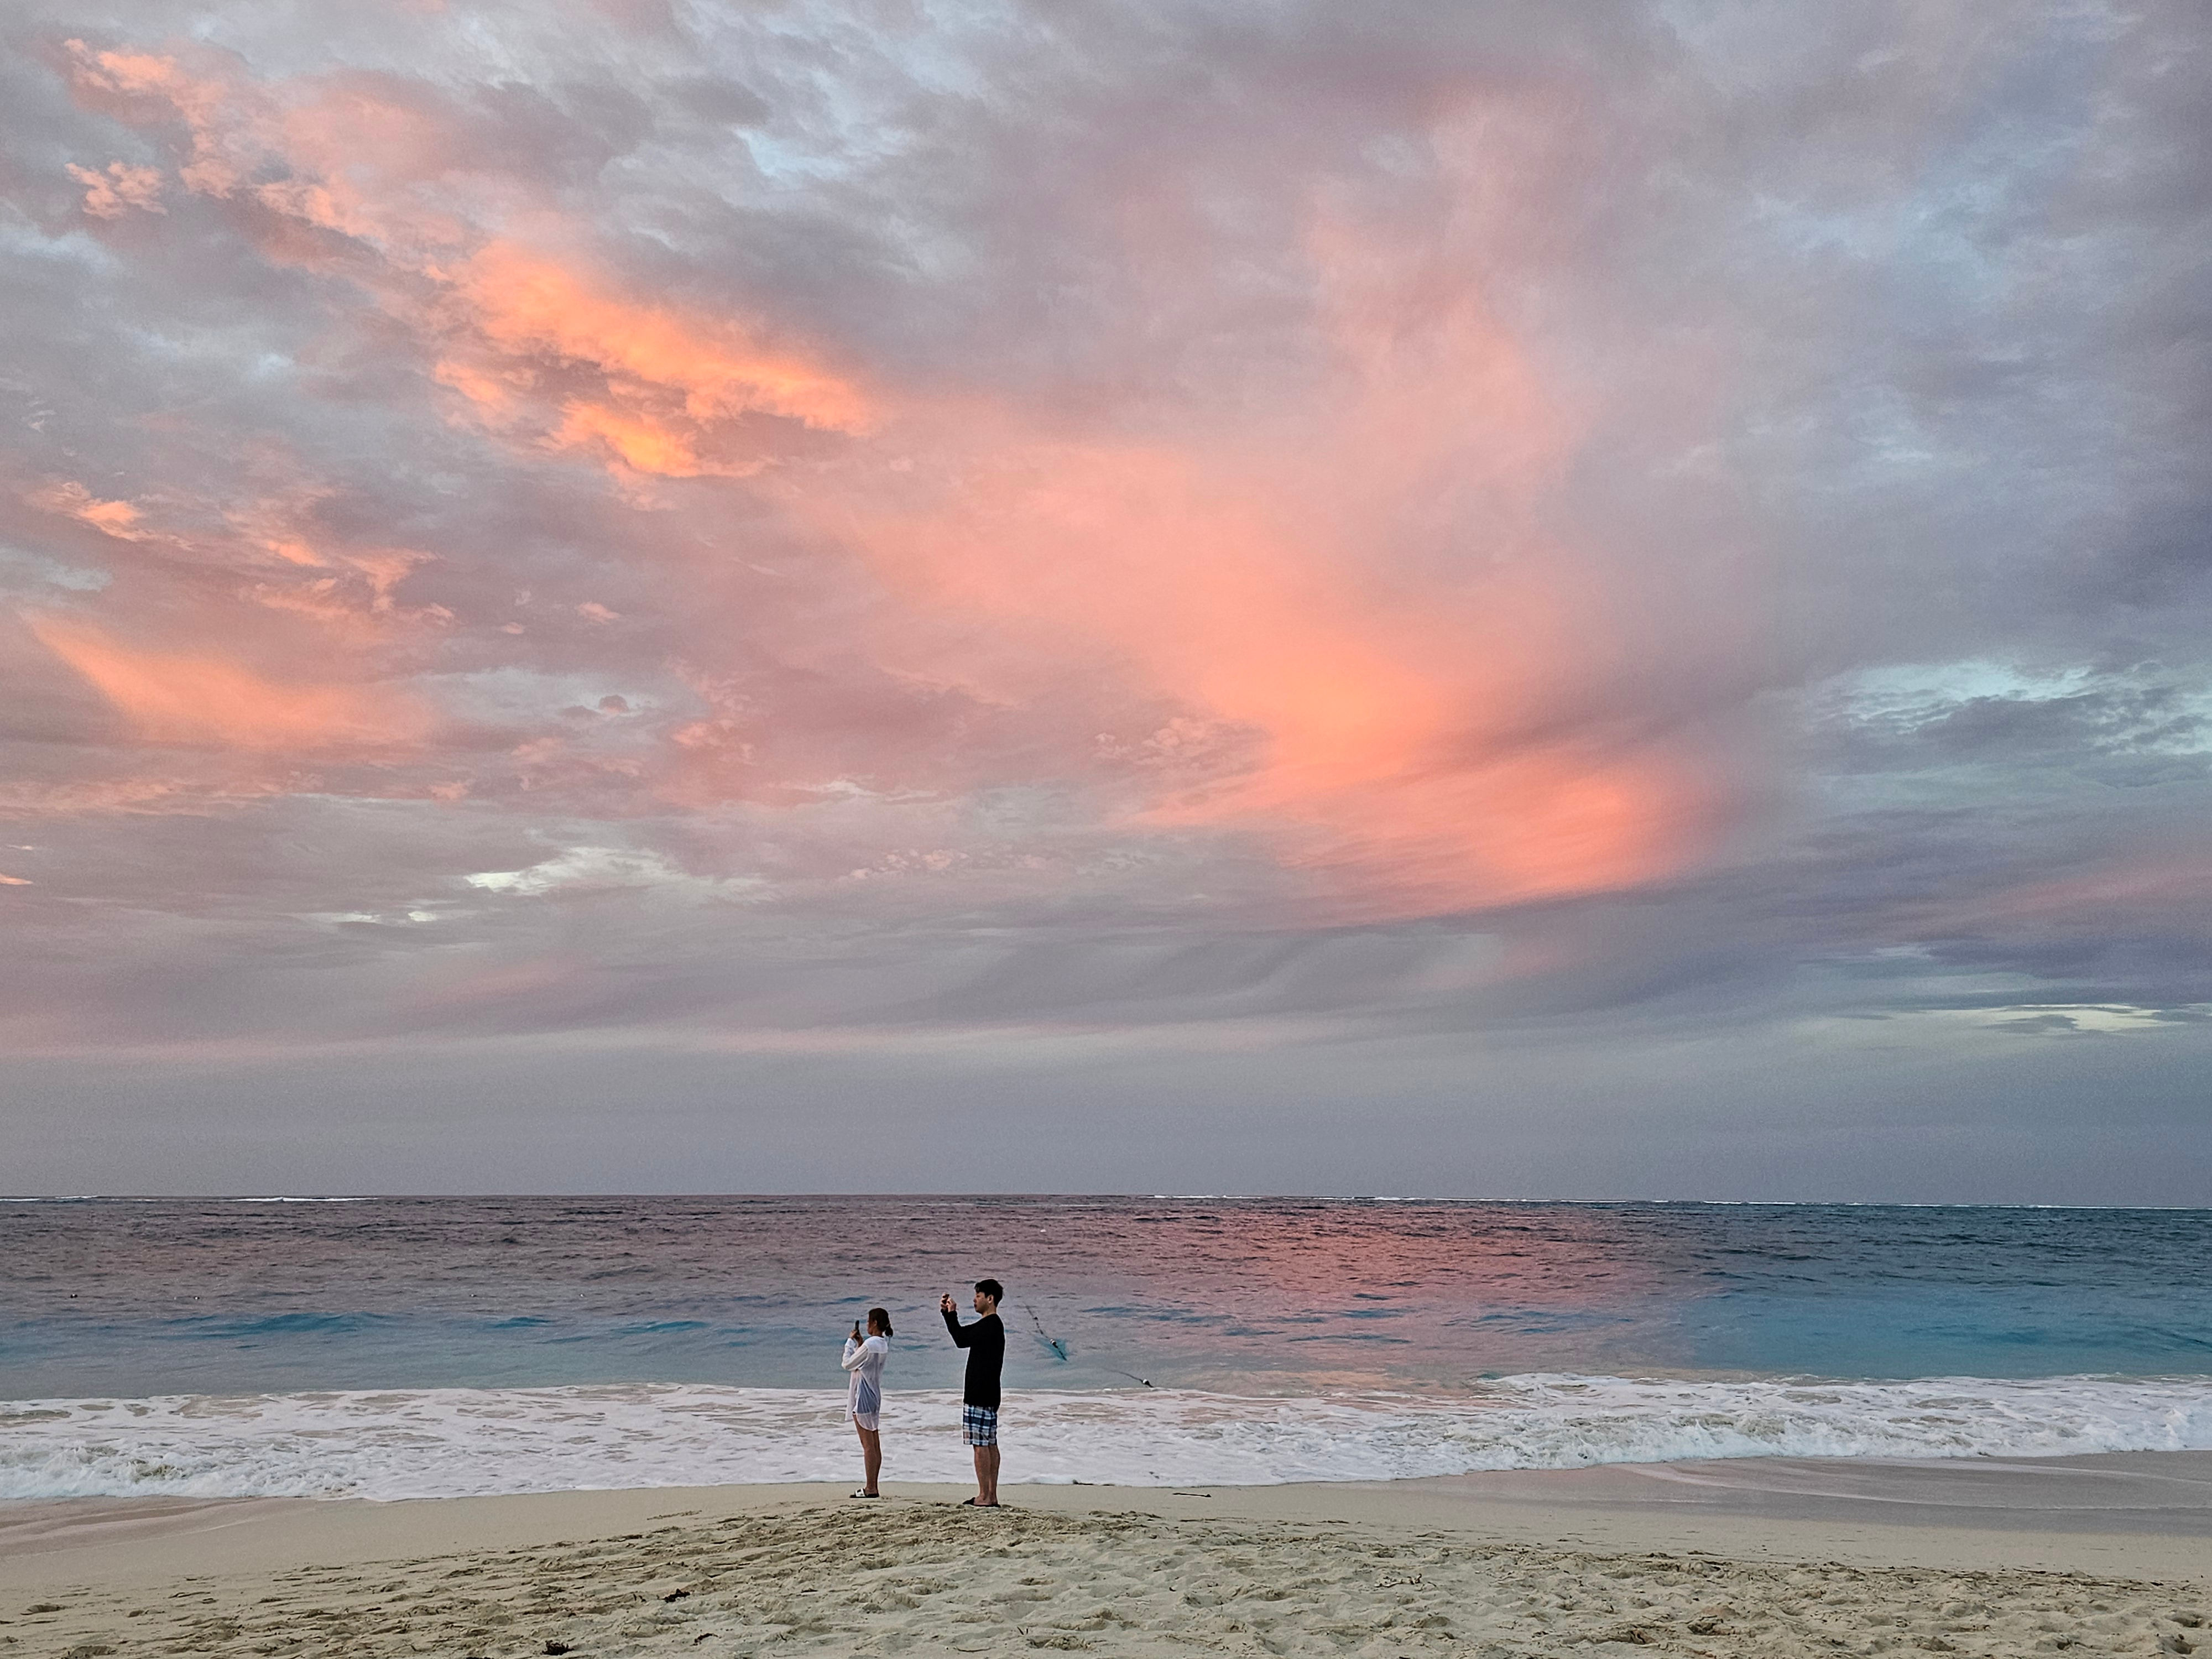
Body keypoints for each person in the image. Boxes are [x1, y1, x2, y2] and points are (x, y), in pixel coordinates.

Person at [940, 1278, 1005, 1507]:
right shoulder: (994, 1326)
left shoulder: (990, 1325)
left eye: (979, 1296)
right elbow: (964, 1338)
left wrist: (950, 1315)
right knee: (989, 1443)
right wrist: (949, 1315)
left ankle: (985, 1496)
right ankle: (991, 1495)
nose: (975, 1300)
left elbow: (960, 1339)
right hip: (990, 1393)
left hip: (979, 1393)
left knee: (981, 1445)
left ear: (990, 1299)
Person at [841, 1306, 893, 1498]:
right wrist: (861, 1344)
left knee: (868, 1446)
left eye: (869, 1322)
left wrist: (849, 1343)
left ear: (875, 1323)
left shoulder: (871, 1345)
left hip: (863, 1396)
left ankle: (871, 1487)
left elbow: (848, 1364)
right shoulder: (882, 1344)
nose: (867, 1325)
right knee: (875, 1444)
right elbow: (865, 1362)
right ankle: (874, 1485)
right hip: (874, 1395)